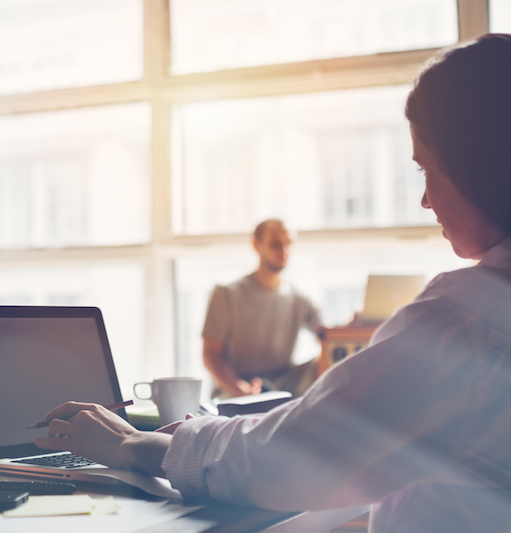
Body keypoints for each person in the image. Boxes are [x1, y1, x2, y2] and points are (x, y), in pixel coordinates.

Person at [34, 34, 511, 532]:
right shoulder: (229, 292)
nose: (425, 200)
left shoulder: (469, 318)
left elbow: (292, 459)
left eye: (424, 169)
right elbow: (218, 359)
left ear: (476, 165)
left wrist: (130, 443)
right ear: (258, 245)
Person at [202, 219, 323, 398]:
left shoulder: (300, 296)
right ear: (256, 245)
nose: (284, 250)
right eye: (275, 244)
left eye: (288, 243)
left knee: (320, 362)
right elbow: (210, 354)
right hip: (236, 388)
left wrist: (353, 327)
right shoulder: (226, 292)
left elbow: (327, 337)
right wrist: (240, 388)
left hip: (283, 387)